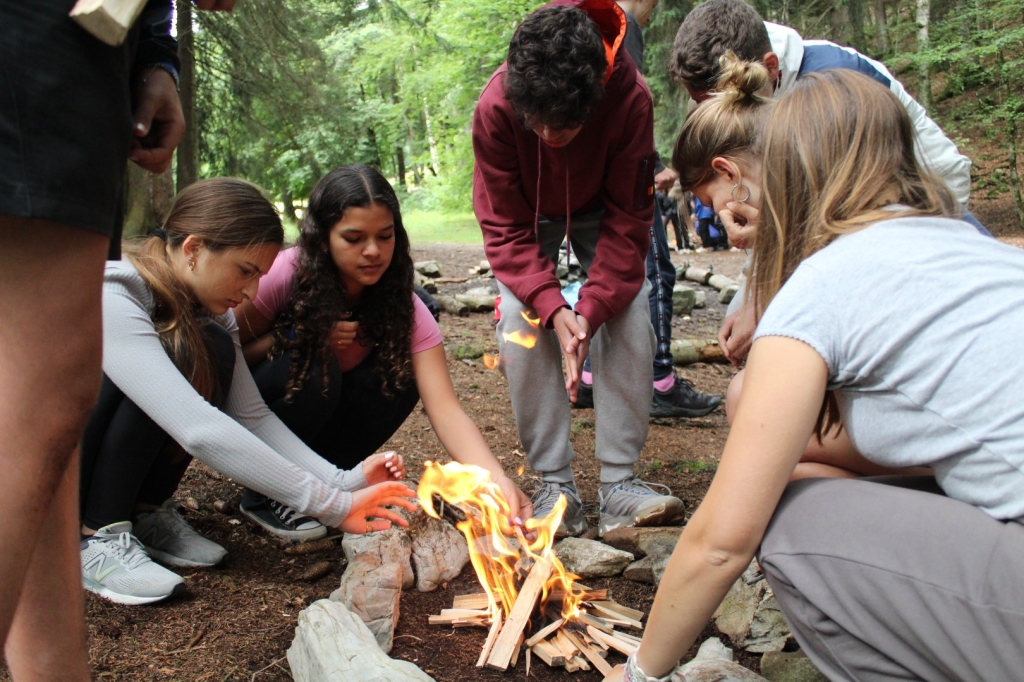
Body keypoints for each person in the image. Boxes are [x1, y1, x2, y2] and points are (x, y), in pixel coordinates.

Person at [612, 68, 1024, 682]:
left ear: (779, 172)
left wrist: (640, 675)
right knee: (793, 474)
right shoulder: (976, 248)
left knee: (795, 522)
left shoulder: (824, 286)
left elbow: (721, 543)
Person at [0, 0, 227, 676]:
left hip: (89, 42)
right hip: (41, 43)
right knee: (43, 401)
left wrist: (155, 54)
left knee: (41, 434)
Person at [80, 177, 416, 605]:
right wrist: (331, 505)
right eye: (245, 271)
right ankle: (97, 534)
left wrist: (341, 482)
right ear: (194, 249)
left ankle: (144, 512)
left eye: (259, 275)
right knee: (181, 350)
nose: (252, 292)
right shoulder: (117, 291)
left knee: (208, 344)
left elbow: (251, 414)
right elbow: (196, 428)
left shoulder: (210, 311)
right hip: (42, 461)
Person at [473, 0, 687, 538]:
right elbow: (504, 228)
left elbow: (628, 221)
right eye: (535, 124)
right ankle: (554, 482)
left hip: (602, 206)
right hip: (528, 208)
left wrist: (588, 311)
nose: (546, 136)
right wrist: (549, 305)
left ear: (592, 99)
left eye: (561, 128)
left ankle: (619, 484)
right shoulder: (498, 107)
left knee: (630, 315)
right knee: (520, 324)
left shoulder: (629, 99)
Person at [669, 0, 984, 366]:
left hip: (922, 225)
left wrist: (771, 286)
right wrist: (753, 294)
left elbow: (846, 231)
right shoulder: (730, 90)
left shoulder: (833, 92)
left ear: (769, 69)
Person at [234, 165, 532, 532]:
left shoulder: (404, 304)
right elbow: (227, 356)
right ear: (323, 238)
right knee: (315, 362)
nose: (372, 251)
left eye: (384, 236)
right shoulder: (285, 273)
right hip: (259, 415)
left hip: (323, 429)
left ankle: (330, 483)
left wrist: (496, 480)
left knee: (403, 374)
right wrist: (298, 336)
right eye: (354, 238)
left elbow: (446, 408)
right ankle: (266, 493)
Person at [573, 0, 723, 420]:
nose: (654, 10)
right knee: (654, 272)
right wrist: (652, 164)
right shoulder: (621, 23)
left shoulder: (591, 18)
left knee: (602, 271)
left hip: (590, 175)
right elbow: (625, 101)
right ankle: (658, 381)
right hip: (621, 175)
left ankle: (588, 377)